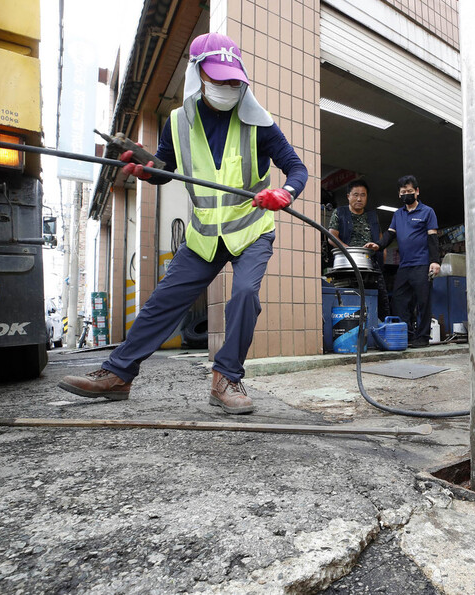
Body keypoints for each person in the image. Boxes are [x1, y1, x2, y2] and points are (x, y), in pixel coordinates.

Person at [58, 32, 308, 414]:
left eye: (233, 80)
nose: (227, 87)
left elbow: (296, 168)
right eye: (218, 79)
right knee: (163, 302)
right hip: (204, 235)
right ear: (198, 76)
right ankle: (118, 375)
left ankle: (226, 378)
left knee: (244, 294)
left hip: (251, 230)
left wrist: (286, 192)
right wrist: (145, 171)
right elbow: (165, 168)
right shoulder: (177, 122)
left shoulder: (260, 123)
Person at [364, 175, 440, 348]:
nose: (407, 194)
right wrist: (378, 245)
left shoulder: (427, 212)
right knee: (399, 301)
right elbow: (390, 234)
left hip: (422, 264)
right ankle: (407, 336)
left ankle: (422, 338)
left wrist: (435, 261)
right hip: (404, 266)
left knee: (423, 302)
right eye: (403, 192)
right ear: (399, 194)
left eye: (410, 191)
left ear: (417, 191)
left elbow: (433, 239)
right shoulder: (398, 214)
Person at [328, 179, 391, 319]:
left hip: (371, 265)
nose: (359, 198)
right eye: (355, 194)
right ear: (348, 196)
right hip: (346, 264)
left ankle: (381, 333)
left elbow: (380, 240)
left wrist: (381, 258)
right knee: (349, 299)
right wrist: (348, 251)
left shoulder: (372, 215)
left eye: (363, 195)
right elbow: (331, 237)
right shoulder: (340, 212)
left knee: (381, 301)